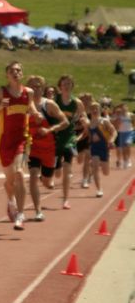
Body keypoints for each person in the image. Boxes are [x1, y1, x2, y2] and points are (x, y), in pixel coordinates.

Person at [0, 62, 36, 230]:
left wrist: (37, 114)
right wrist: (0, 107)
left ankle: (20, 214)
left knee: (20, 173)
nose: (15, 73)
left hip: (22, 138)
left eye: (18, 70)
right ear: (6, 75)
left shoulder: (28, 93)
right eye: (12, 71)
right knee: (10, 180)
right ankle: (11, 200)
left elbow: (32, 110)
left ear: (22, 74)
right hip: (5, 141)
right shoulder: (1, 92)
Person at [24, 76, 68, 220]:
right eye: (32, 86)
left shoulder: (48, 105)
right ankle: (38, 211)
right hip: (33, 148)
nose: (36, 89)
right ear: (27, 88)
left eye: (39, 86)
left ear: (43, 89)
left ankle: (47, 179)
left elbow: (65, 122)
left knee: (47, 182)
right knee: (32, 176)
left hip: (49, 149)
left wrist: (49, 130)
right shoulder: (24, 106)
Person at [53, 75, 87, 208]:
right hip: (55, 138)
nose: (66, 86)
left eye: (69, 84)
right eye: (64, 84)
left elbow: (83, 116)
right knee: (57, 173)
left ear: (72, 86)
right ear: (60, 86)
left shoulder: (77, 103)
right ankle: (57, 165)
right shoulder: (54, 100)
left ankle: (65, 199)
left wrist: (84, 121)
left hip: (69, 138)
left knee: (67, 170)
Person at [87, 102, 117, 197]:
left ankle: (100, 164)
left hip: (105, 148)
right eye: (92, 108)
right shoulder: (89, 123)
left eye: (96, 108)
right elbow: (89, 137)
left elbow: (114, 132)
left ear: (100, 110)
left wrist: (111, 140)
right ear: (89, 111)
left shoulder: (104, 121)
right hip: (95, 148)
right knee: (95, 166)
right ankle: (99, 189)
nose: (94, 110)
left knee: (106, 172)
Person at [113, 103, 133, 169]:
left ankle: (128, 159)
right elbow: (115, 125)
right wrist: (117, 121)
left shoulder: (130, 115)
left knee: (127, 144)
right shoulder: (118, 116)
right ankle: (125, 161)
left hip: (130, 132)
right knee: (124, 148)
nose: (123, 109)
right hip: (121, 133)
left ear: (127, 108)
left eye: (124, 108)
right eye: (122, 108)